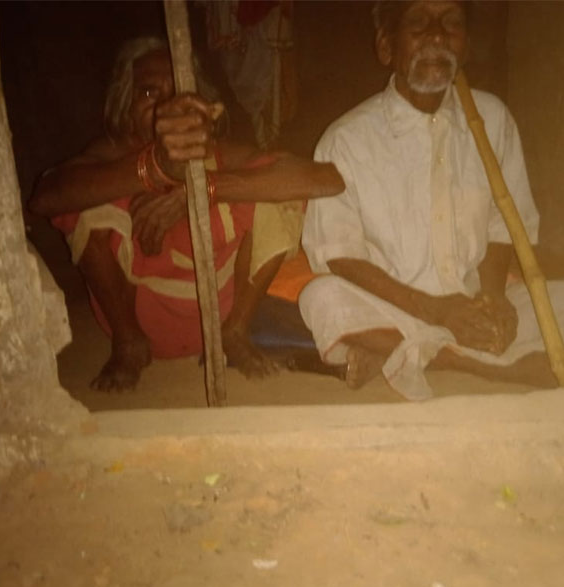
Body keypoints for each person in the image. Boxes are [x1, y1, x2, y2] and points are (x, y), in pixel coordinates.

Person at [299, 0, 564, 400]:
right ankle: (486, 366)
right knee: (322, 298)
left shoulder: (492, 119)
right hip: (394, 306)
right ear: (386, 47)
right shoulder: (346, 140)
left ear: (467, 46)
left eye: (451, 23)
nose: (437, 35)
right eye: (418, 23)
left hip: (471, 303)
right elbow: (338, 254)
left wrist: (493, 299)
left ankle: (405, 353)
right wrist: (435, 311)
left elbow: (504, 226)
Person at [29, 36, 343, 392]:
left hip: (215, 319)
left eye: (179, 93)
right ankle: (129, 343)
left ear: (204, 108)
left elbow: (325, 180)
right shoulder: (114, 154)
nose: (167, 107)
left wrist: (206, 188)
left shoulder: (217, 154)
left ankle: (236, 332)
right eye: (149, 93)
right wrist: (154, 169)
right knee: (88, 202)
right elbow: (45, 199)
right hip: (140, 318)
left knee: (275, 196)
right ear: (127, 105)